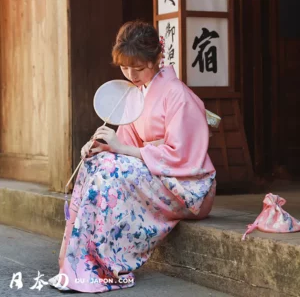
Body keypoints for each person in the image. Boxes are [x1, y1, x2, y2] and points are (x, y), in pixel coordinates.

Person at [49, 21, 216, 293]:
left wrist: (121, 151)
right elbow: (124, 147)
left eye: (138, 68)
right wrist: (103, 147)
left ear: (158, 58)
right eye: (125, 68)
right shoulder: (137, 94)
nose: (131, 75)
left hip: (189, 186)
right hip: (156, 174)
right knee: (97, 163)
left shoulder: (178, 96)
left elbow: (184, 158)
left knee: (110, 172)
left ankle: (107, 264)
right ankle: (80, 261)